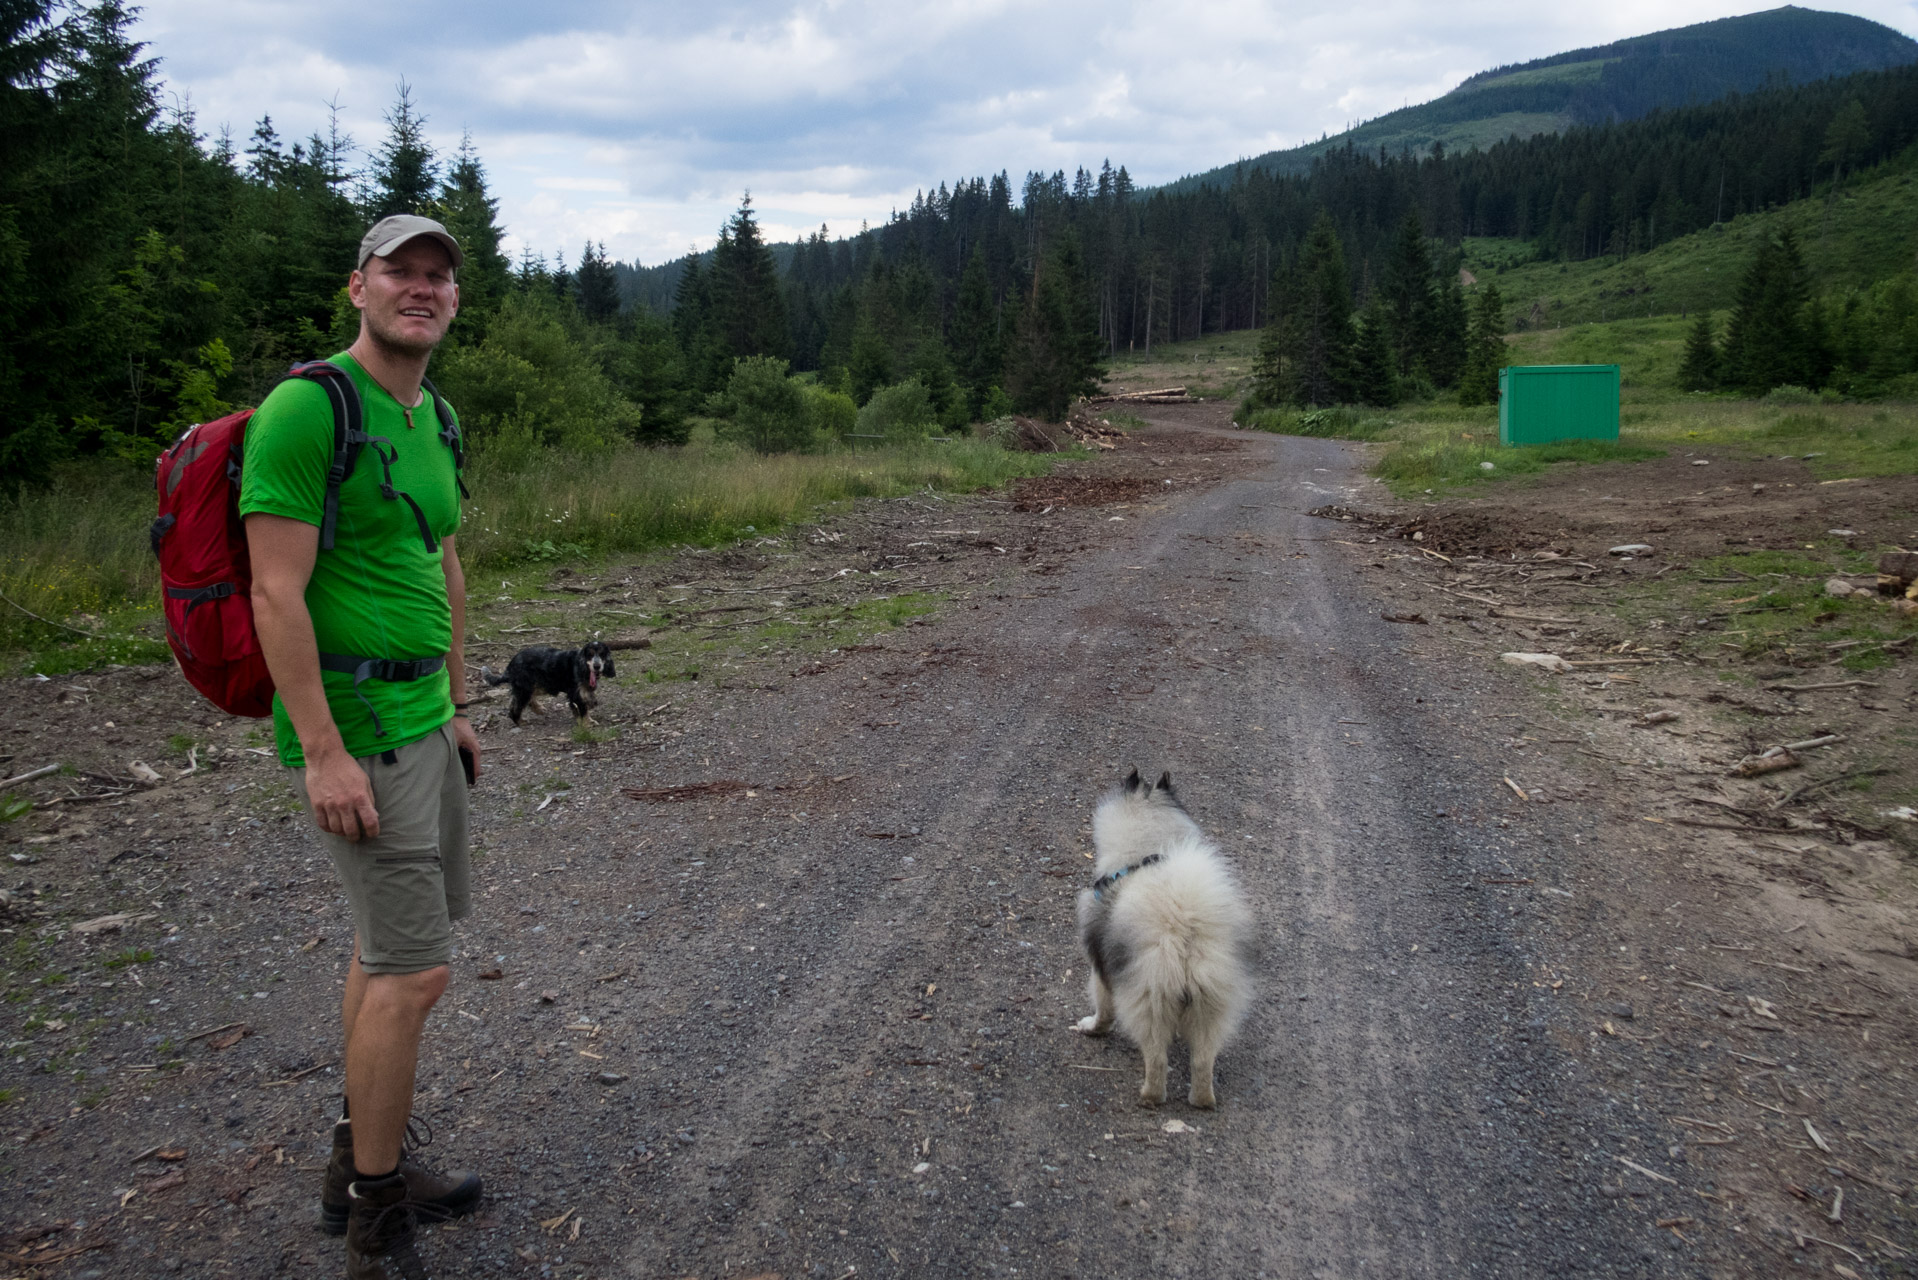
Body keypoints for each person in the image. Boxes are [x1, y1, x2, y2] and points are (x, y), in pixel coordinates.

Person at [243, 213, 483, 1280]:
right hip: (362, 733)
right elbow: (273, 588)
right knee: (416, 971)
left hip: (426, 721)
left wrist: (463, 700)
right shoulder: (309, 408)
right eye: (402, 271)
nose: (420, 288)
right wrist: (321, 752)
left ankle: (358, 1159)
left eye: (438, 276)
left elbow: (441, 561)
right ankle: (378, 1215)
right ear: (359, 287)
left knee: (382, 954)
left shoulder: (434, 415)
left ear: (453, 300)